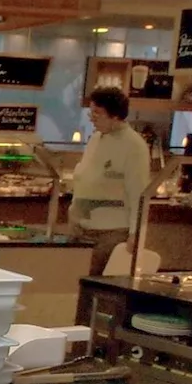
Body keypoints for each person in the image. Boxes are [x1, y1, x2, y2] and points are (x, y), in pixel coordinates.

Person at [69, 87, 152, 276]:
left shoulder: (134, 146)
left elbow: (138, 193)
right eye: (91, 112)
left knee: (95, 283)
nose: (92, 117)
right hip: (81, 226)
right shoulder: (96, 138)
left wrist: (135, 234)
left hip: (110, 232)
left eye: (98, 113)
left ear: (115, 116)